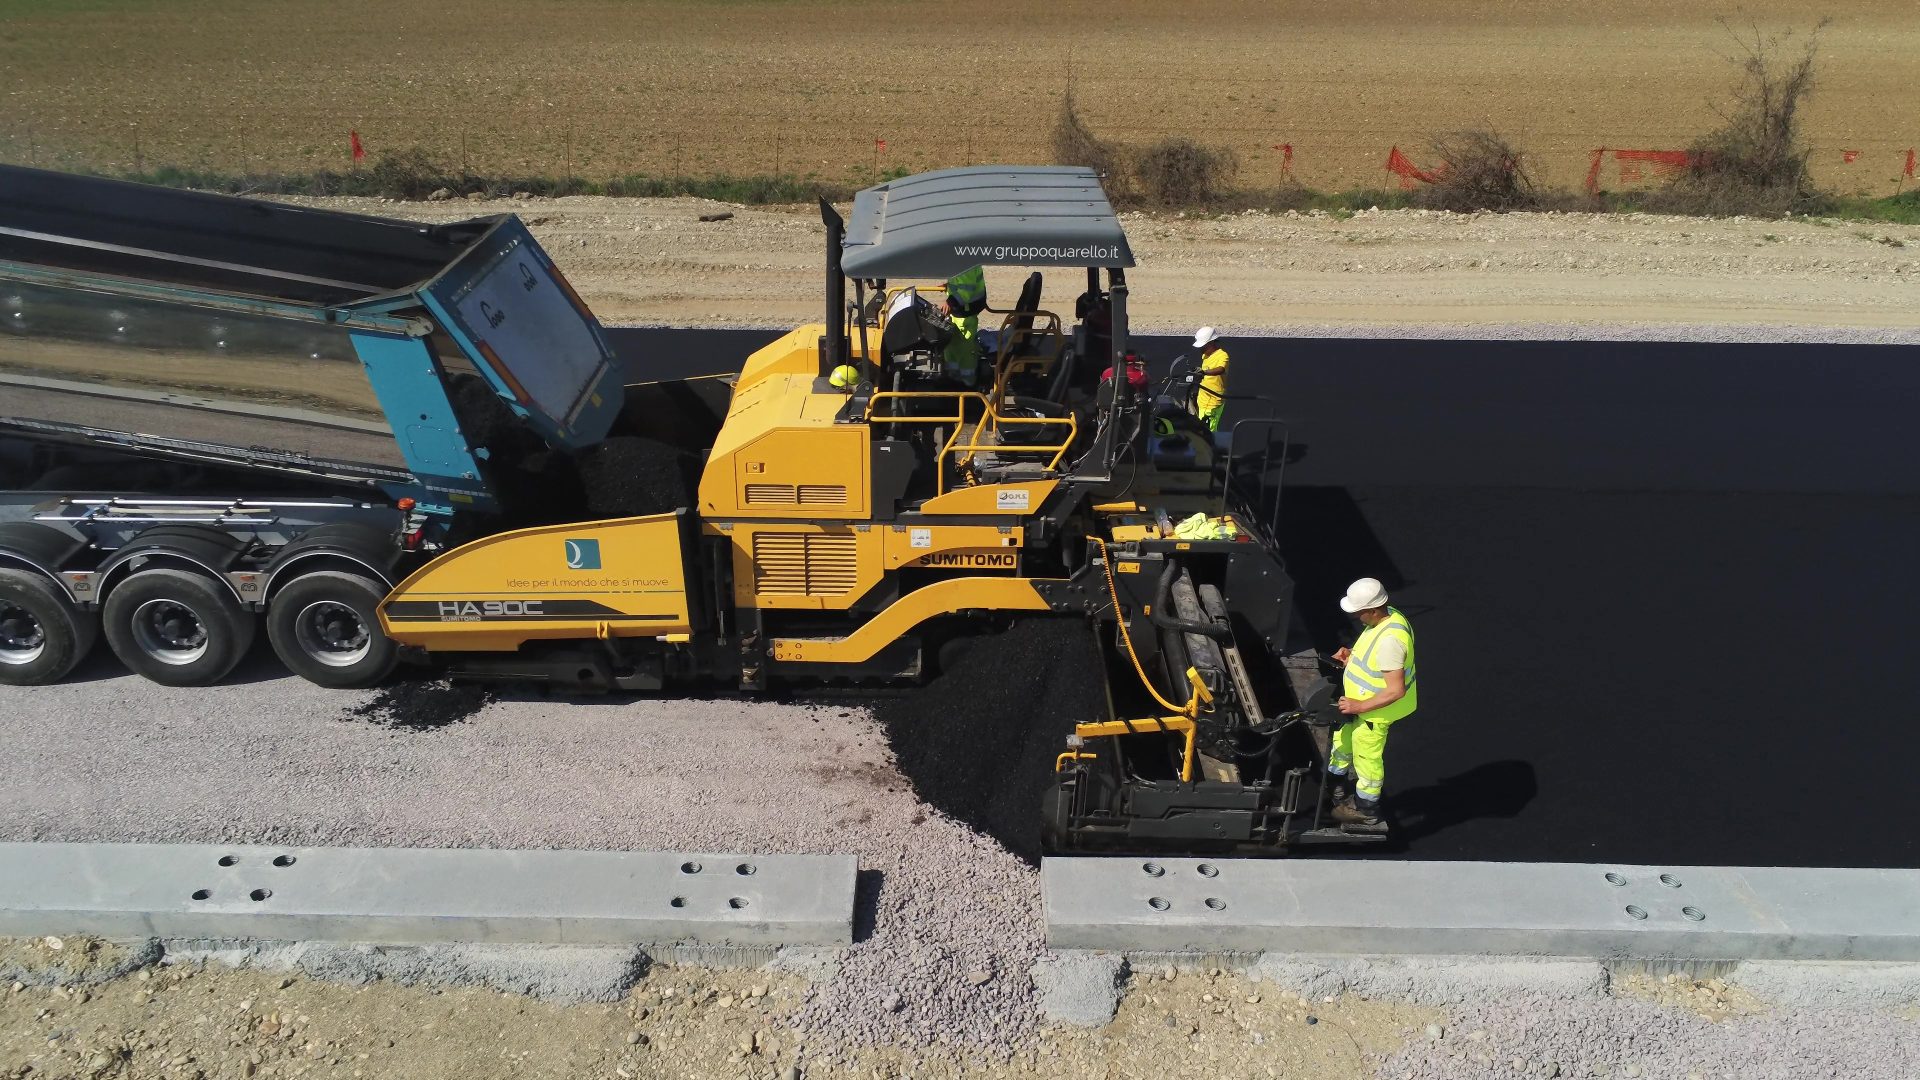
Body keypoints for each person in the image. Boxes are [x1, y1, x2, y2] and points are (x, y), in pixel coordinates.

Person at [1325, 577, 1418, 833]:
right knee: (1342, 742)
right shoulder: (1388, 617)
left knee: (1367, 760)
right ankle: (1336, 782)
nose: (1356, 617)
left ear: (1373, 610)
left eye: (1359, 613)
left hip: (1373, 712)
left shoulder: (1391, 641)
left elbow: (1395, 690)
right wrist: (1351, 655)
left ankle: (1366, 812)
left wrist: (1360, 707)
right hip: (1358, 704)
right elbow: (1373, 652)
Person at [943, 265, 988, 387]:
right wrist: (948, 287)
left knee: (965, 348)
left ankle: (968, 383)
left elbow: (966, 291)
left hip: (965, 313)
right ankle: (953, 376)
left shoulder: (965, 263)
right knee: (952, 344)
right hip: (960, 311)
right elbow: (959, 283)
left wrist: (950, 301)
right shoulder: (961, 257)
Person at [1191, 326, 1230, 432]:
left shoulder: (1222, 355)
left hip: (1213, 402)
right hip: (1203, 399)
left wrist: (1204, 372)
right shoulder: (1205, 355)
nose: (1201, 349)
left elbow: (1221, 369)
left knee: (1209, 432)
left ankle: (1209, 448)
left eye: (1203, 346)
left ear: (1211, 343)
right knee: (1201, 429)